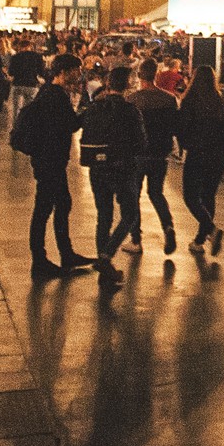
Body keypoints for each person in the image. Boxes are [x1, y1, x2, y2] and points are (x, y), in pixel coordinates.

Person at [14, 54, 88, 279]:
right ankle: (40, 261)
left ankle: (65, 254)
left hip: (49, 160)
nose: (80, 73)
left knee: (61, 205)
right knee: (44, 209)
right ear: (64, 71)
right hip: (50, 161)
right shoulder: (55, 96)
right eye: (77, 69)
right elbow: (71, 125)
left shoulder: (48, 91)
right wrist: (88, 112)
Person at [78, 65, 144, 290]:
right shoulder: (130, 110)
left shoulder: (95, 107)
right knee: (130, 214)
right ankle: (105, 257)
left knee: (103, 216)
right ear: (127, 85)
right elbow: (141, 143)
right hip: (123, 168)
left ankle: (104, 266)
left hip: (97, 167)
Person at [175, 65, 224, 253]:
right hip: (219, 154)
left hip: (198, 153)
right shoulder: (221, 99)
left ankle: (211, 230)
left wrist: (185, 144)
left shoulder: (190, 100)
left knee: (190, 196)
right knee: (208, 195)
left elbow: (182, 128)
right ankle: (200, 240)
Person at [130, 57, 180, 254]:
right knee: (156, 192)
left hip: (139, 154)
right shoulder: (169, 99)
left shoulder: (133, 99)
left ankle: (136, 239)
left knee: (134, 195)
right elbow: (175, 126)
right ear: (156, 75)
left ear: (140, 76)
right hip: (160, 152)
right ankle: (168, 227)